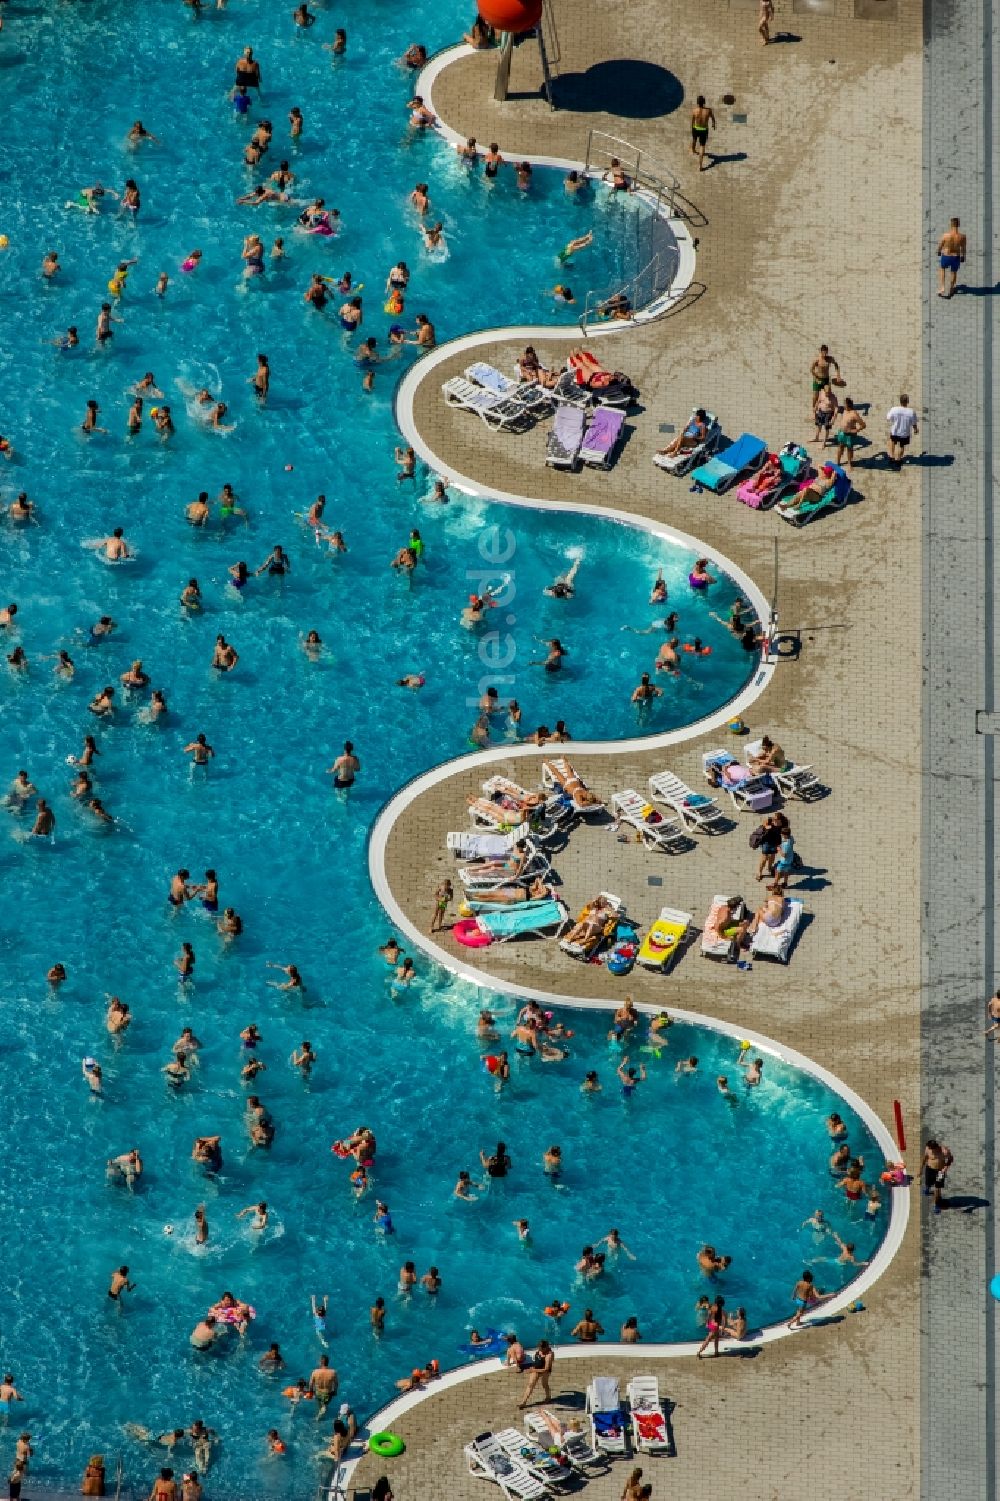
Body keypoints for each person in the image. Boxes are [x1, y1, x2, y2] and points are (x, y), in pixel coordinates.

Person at [833, 397, 866, 473]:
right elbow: (836, 409)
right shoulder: (844, 410)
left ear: (848, 406)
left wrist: (856, 430)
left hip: (849, 435)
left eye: (845, 404)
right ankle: (837, 462)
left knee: (849, 449)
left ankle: (849, 463)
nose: (844, 406)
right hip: (842, 433)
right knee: (840, 447)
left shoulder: (854, 414)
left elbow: (863, 425)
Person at [518, 1340, 554, 1408]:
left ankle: (548, 1397)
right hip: (536, 1369)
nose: (539, 1350)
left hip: (544, 1371)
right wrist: (533, 1367)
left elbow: (546, 1369)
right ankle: (523, 1402)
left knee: (545, 1384)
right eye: (539, 1348)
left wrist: (533, 1369)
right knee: (530, 1385)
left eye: (541, 1348)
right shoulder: (539, 1351)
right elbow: (537, 1360)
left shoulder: (549, 1355)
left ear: (545, 1348)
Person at [921, 1138, 953, 1214]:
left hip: (940, 1172)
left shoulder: (944, 1151)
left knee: (937, 1189)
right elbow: (925, 1158)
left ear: (935, 1147)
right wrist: (920, 1169)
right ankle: (927, 1190)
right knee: (928, 1182)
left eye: (932, 1149)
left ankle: (937, 1205)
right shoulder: (928, 1148)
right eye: (929, 1148)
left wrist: (945, 1168)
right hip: (929, 1169)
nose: (930, 1150)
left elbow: (950, 1159)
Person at [937, 217, 966, 297]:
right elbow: (963, 248)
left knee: (942, 269)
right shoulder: (962, 237)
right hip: (956, 257)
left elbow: (940, 245)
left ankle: (942, 288)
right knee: (953, 272)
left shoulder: (945, 235)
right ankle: (951, 288)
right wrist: (963, 257)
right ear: (958, 225)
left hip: (946, 256)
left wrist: (939, 251)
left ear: (951, 224)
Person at [886, 394, 919, 466]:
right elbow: (914, 423)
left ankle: (891, 457)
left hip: (895, 431)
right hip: (904, 433)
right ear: (908, 401)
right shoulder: (911, 412)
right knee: (901, 446)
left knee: (892, 442)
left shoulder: (894, 409)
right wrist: (915, 429)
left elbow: (888, 418)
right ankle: (898, 460)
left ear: (900, 401)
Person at [810, 345, 841, 409]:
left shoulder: (830, 359)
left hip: (826, 380)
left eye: (826, 353)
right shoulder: (817, 360)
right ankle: (813, 409)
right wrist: (816, 376)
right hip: (817, 380)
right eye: (823, 353)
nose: (824, 354)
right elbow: (811, 369)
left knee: (828, 394)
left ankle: (830, 407)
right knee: (815, 396)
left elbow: (836, 365)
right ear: (821, 351)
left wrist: (838, 375)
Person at [691, 96, 715, 169]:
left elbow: (692, 121)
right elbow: (713, 119)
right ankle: (700, 166)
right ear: (704, 102)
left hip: (695, 128)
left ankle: (693, 150)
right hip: (704, 130)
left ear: (697, 102)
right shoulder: (708, 110)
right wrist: (713, 124)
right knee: (702, 146)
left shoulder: (694, 110)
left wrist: (692, 128)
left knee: (694, 140)